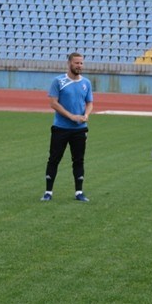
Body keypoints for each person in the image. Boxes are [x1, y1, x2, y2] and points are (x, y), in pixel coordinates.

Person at [41, 52, 93, 202]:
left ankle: (79, 192)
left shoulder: (86, 83)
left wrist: (87, 114)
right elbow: (53, 103)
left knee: (78, 160)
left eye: (81, 63)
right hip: (61, 128)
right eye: (76, 63)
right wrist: (71, 116)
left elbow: (89, 102)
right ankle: (48, 192)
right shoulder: (58, 81)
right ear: (69, 63)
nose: (79, 66)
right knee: (54, 159)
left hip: (80, 129)